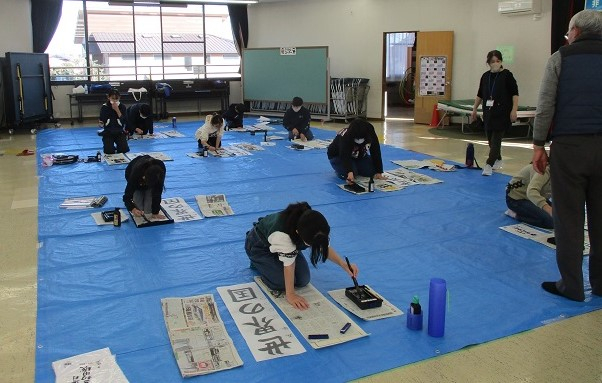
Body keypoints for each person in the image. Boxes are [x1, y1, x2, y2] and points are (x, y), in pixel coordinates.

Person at [531, 9, 602, 302]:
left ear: (574, 32)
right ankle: (600, 283)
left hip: (570, 147)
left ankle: (571, 285)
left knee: (569, 219)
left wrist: (538, 144)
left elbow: (546, 103)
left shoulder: (562, 57)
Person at [245, 202, 359, 310]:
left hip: (287, 246)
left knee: (303, 280)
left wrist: (343, 264)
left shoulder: (315, 224)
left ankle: (278, 260)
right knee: (280, 283)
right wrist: (290, 295)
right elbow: (289, 265)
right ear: (298, 233)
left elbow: (324, 247)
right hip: (260, 246)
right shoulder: (282, 234)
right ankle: (258, 262)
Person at [470, 50, 519, 176]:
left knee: (497, 139)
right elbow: (480, 94)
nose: (495, 64)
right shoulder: (485, 76)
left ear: (501, 61)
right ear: (488, 63)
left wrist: (514, 110)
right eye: (493, 62)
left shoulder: (507, 75)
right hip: (489, 113)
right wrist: (474, 109)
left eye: (498, 61)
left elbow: (515, 94)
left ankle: (489, 164)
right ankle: (498, 159)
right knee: (491, 140)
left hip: (502, 113)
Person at [327, 119, 385, 185]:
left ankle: (355, 166)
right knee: (350, 174)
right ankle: (341, 169)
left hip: (359, 156)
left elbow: (375, 150)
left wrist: (379, 171)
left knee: (372, 171)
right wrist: (349, 172)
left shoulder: (370, 133)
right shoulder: (345, 136)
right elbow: (344, 155)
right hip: (338, 156)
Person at [505, 164, 553, 229]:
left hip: (536, 197)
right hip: (516, 199)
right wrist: (549, 209)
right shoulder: (543, 170)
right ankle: (514, 214)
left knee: (562, 217)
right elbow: (531, 192)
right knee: (550, 222)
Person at [123, 154, 166, 219]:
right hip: (132, 174)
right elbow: (127, 196)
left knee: (148, 211)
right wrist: (132, 208)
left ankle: (148, 190)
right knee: (139, 209)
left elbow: (158, 192)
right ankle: (139, 190)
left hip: (149, 179)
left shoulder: (160, 170)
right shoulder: (136, 173)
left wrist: (155, 212)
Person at [99, 89, 129, 154]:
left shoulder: (122, 107)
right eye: (113, 98)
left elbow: (124, 121)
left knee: (124, 150)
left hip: (119, 132)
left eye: (116, 98)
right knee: (109, 151)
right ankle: (110, 145)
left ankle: (119, 145)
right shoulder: (104, 107)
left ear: (119, 98)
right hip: (108, 132)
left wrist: (117, 110)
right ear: (108, 97)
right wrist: (101, 123)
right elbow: (102, 120)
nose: (115, 100)